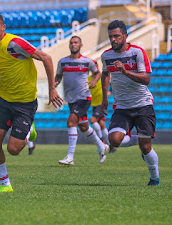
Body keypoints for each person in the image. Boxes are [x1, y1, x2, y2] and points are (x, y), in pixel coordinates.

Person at [0, 13, 63, 192]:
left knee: (13, 149)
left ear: (3, 27)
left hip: (25, 103)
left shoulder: (14, 44)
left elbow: (46, 58)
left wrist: (51, 89)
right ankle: (5, 185)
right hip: (4, 101)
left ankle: (28, 131)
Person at [101, 20, 160, 186]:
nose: (113, 40)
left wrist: (125, 71)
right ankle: (139, 140)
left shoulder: (137, 53)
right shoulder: (106, 56)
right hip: (122, 107)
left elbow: (146, 79)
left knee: (146, 147)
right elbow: (105, 74)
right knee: (113, 140)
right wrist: (105, 98)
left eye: (117, 36)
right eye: (111, 36)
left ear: (125, 36)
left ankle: (154, 178)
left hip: (143, 105)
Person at [55, 36, 109, 166]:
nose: (73, 45)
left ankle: (70, 157)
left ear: (81, 45)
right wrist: (54, 85)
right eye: (71, 43)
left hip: (84, 98)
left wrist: (95, 82)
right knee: (84, 127)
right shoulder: (63, 62)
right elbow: (58, 75)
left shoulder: (87, 61)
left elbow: (97, 73)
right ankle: (102, 146)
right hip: (71, 99)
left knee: (71, 121)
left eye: (76, 43)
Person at [88, 71, 117, 154]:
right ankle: (112, 146)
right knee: (101, 124)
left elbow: (111, 81)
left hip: (101, 103)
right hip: (94, 103)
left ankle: (101, 140)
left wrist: (110, 91)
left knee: (93, 120)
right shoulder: (89, 78)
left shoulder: (101, 76)